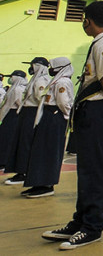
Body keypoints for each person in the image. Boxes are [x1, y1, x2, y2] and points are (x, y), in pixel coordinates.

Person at [41, 1, 103, 248]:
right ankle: (80, 221)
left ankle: (92, 226)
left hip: (99, 109)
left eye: (83, 19)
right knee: (87, 169)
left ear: (88, 20)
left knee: (94, 170)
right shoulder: (101, 44)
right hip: (94, 110)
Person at [21, 57, 73, 198]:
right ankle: (39, 182)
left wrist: (66, 117)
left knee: (49, 151)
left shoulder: (63, 81)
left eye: (52, 66)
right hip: (49, 116)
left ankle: (47, 184)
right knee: (41, 151)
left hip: (55, 117)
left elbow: (63, 102)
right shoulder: (57, 80)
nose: (50, 68)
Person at [4, 56, 51, 185]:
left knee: (26, 144)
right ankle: (21, 170)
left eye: (33, 65)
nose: (30, 68)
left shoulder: (41, 81)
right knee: (22, 143)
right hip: (27, 113)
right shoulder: (35, 80)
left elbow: (39, 98)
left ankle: (24, 172)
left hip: (32, 113)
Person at [0, 71, 27, 171]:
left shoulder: (18, 89)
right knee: (4, 138)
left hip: (13, 115)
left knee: (7, 139)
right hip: (9, 115)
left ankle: (4, 161)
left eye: (12, 77)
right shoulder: (14, 88)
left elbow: (20, 103)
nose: (10, 79)